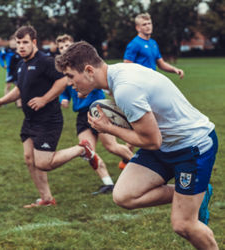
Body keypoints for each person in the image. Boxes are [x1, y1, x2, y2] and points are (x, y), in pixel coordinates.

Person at [55, 41, 219, 250]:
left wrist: (108, 127)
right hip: (165, 145)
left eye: (70, 76)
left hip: (192, 146)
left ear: (88, 70)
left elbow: (152, 141)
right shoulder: (115, 75)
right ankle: (198, 192)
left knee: (184, 225)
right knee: (124, 195)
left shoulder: (125, 89)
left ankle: (195, 195)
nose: (68, 82)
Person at [0, 26, 99, 208]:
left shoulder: (45, 61)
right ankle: (46, 199)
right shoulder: (22, 65)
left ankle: (82, 149)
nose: (21, 46)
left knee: (44, 163)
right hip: (30, 120)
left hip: (48, 120)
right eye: (18, 43)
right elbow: (19, 88)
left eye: (25, 42)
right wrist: (1, 100)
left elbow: (63, 80)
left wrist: (44, 99)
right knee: (30, 159)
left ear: (34, 42)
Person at [57, 35, 133, 194]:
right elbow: (64, 93)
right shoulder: (66, 75)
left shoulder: (85, 68)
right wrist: (63, 100)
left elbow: (97, 83)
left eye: (67, 46)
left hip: (96, 109)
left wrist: (86, 91)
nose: (64, 49)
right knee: (87, 150)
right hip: (81, 116)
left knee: (112, 147)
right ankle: (108, 183)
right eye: (61, 47)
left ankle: (137, 165)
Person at [121, 13, 186, 168]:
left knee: (148, 123)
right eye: (144, 24)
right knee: (143, 124)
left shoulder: (153, 43)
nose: (148, 26)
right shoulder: (134, 44)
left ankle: (125, 158)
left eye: (149, 23)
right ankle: (129, 156)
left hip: (153, 89)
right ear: (137, 27)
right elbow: (126, 66)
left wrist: (175, 69)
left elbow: (161, 64)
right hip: (140, 90)